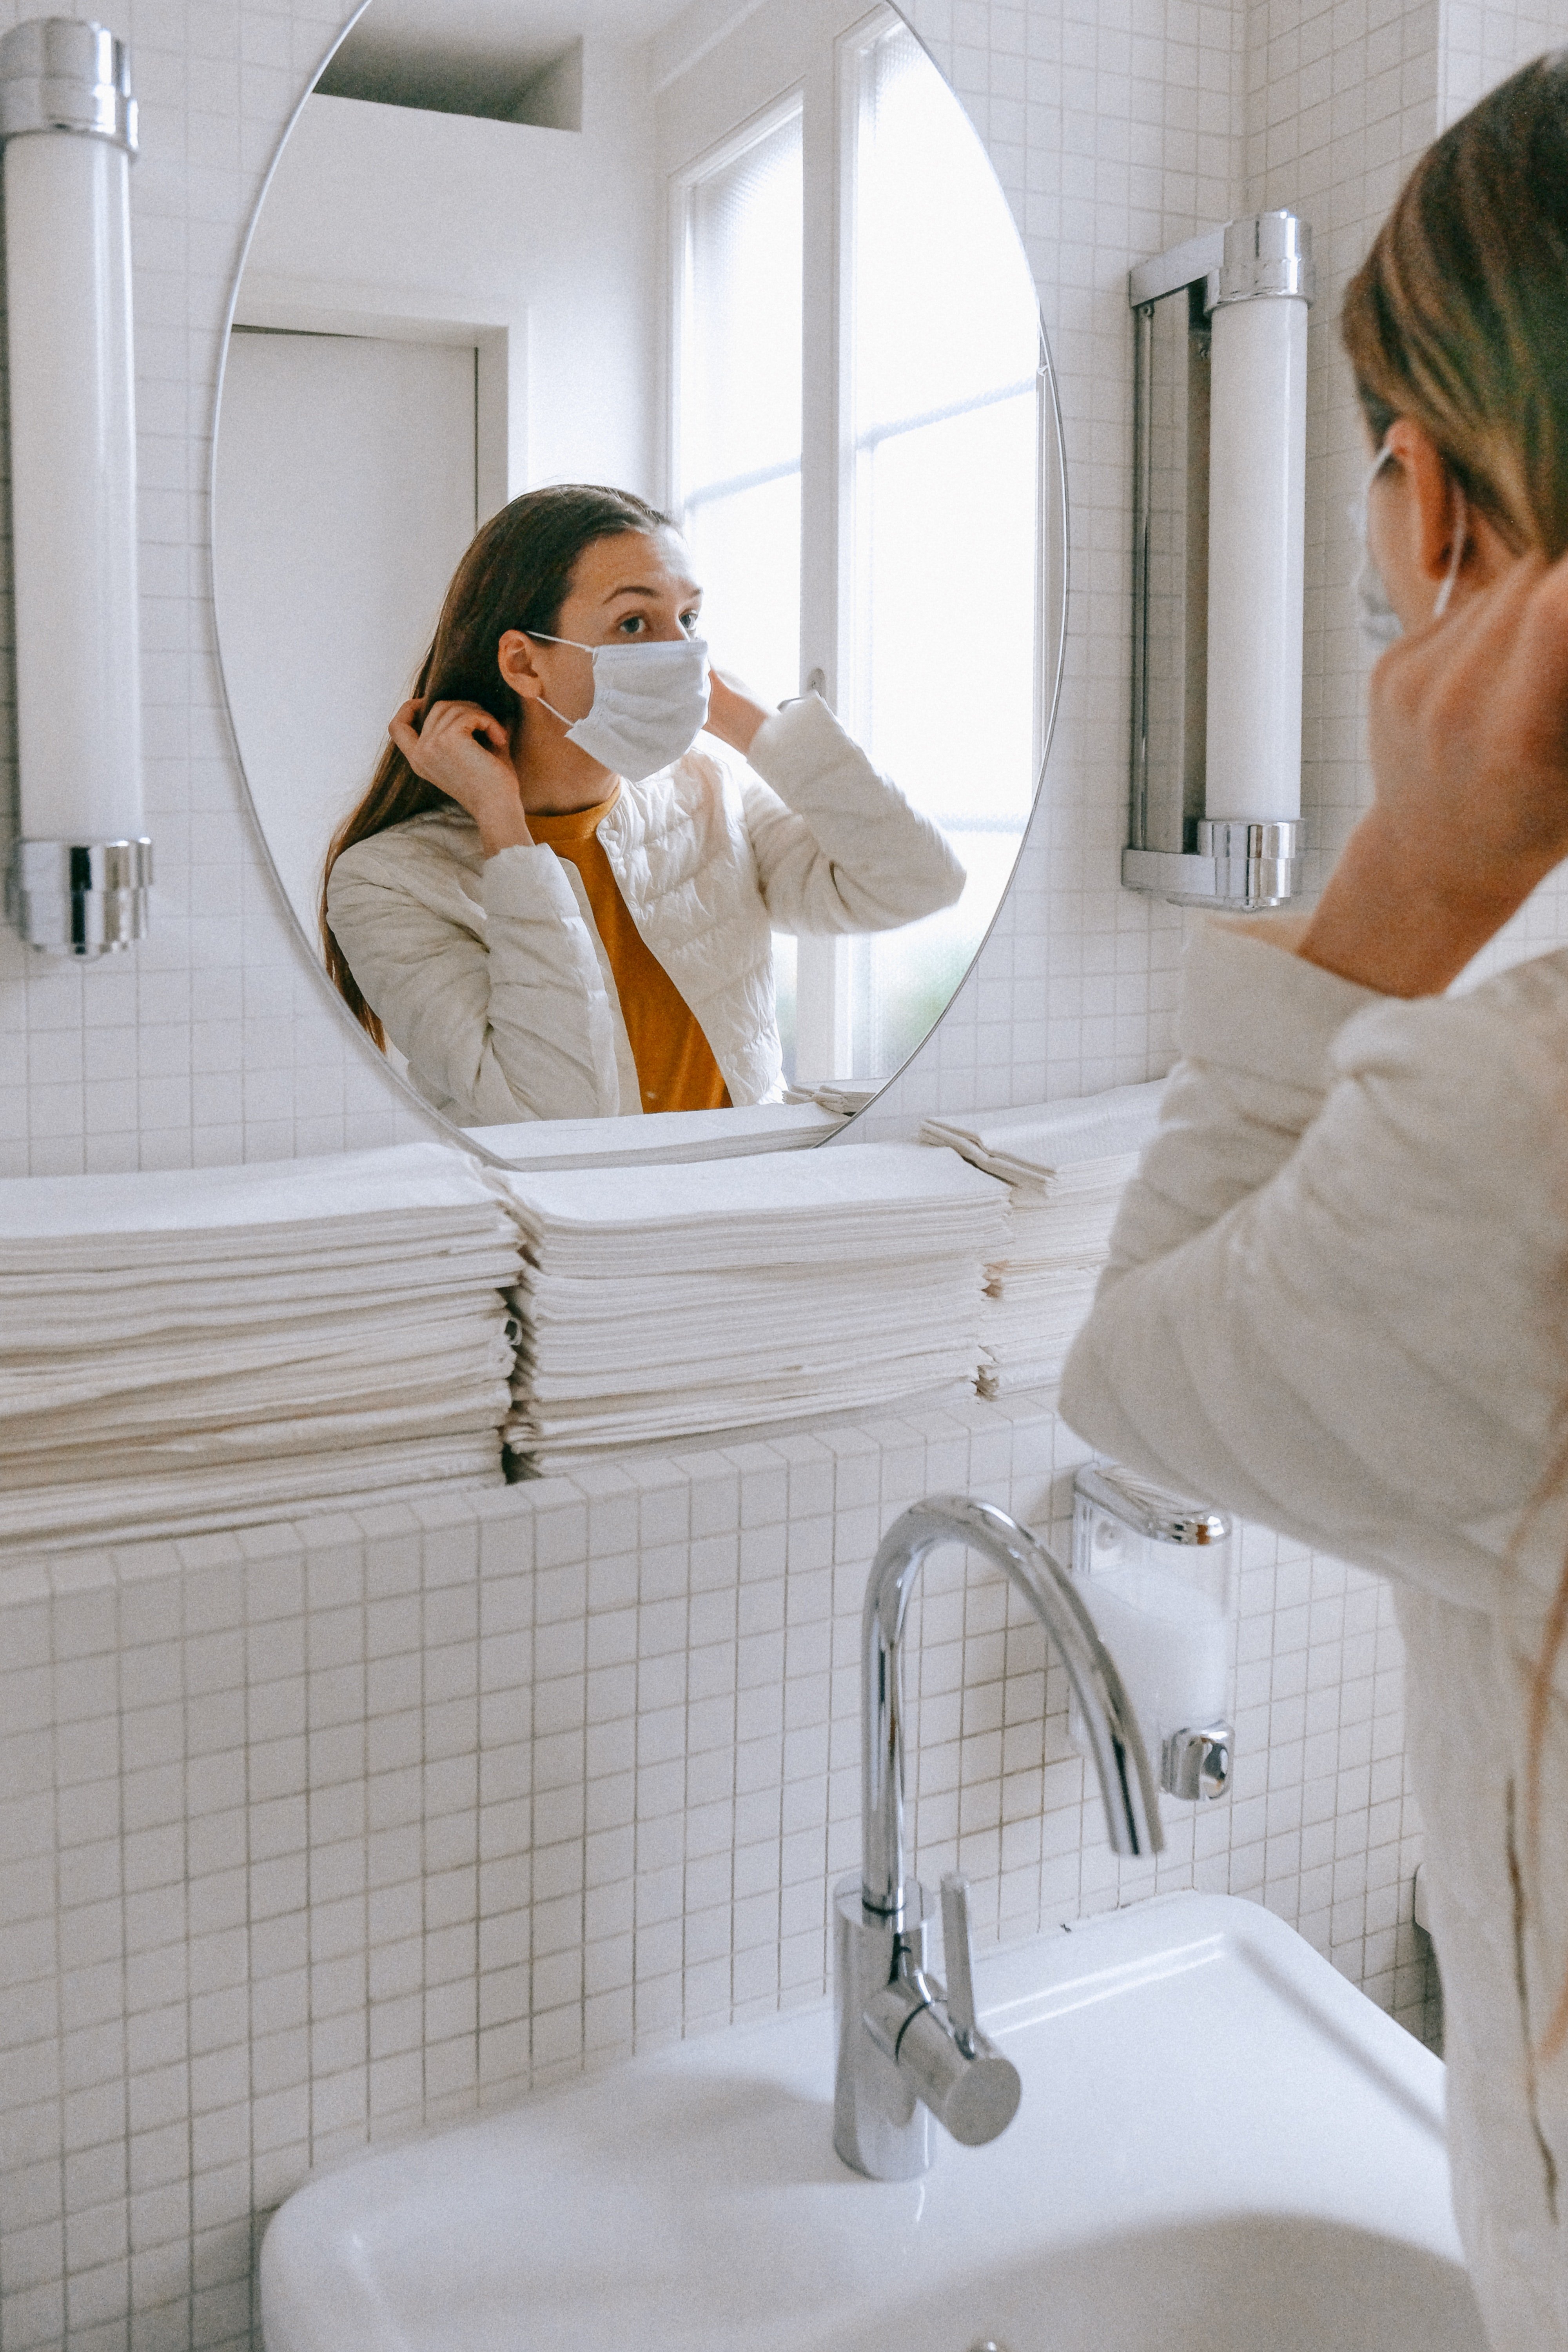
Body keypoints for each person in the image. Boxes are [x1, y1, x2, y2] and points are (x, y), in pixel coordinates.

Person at [1061, 55, 1568, 2348]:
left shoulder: (1513, 1127)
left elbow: (1135, 1384)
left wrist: (1413, 875)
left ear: (1459, 514)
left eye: (1380, 445)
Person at [321, 483, 964, 1125]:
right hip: (574, 1220)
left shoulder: (710, 791)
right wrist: (502, 826)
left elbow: (919, 882)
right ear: (523, 663)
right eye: (635, 623)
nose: (680, 652)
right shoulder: (385, 882)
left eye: (689, 620)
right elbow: (554, 1114)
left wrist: (751, 726)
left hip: (750, 1202)